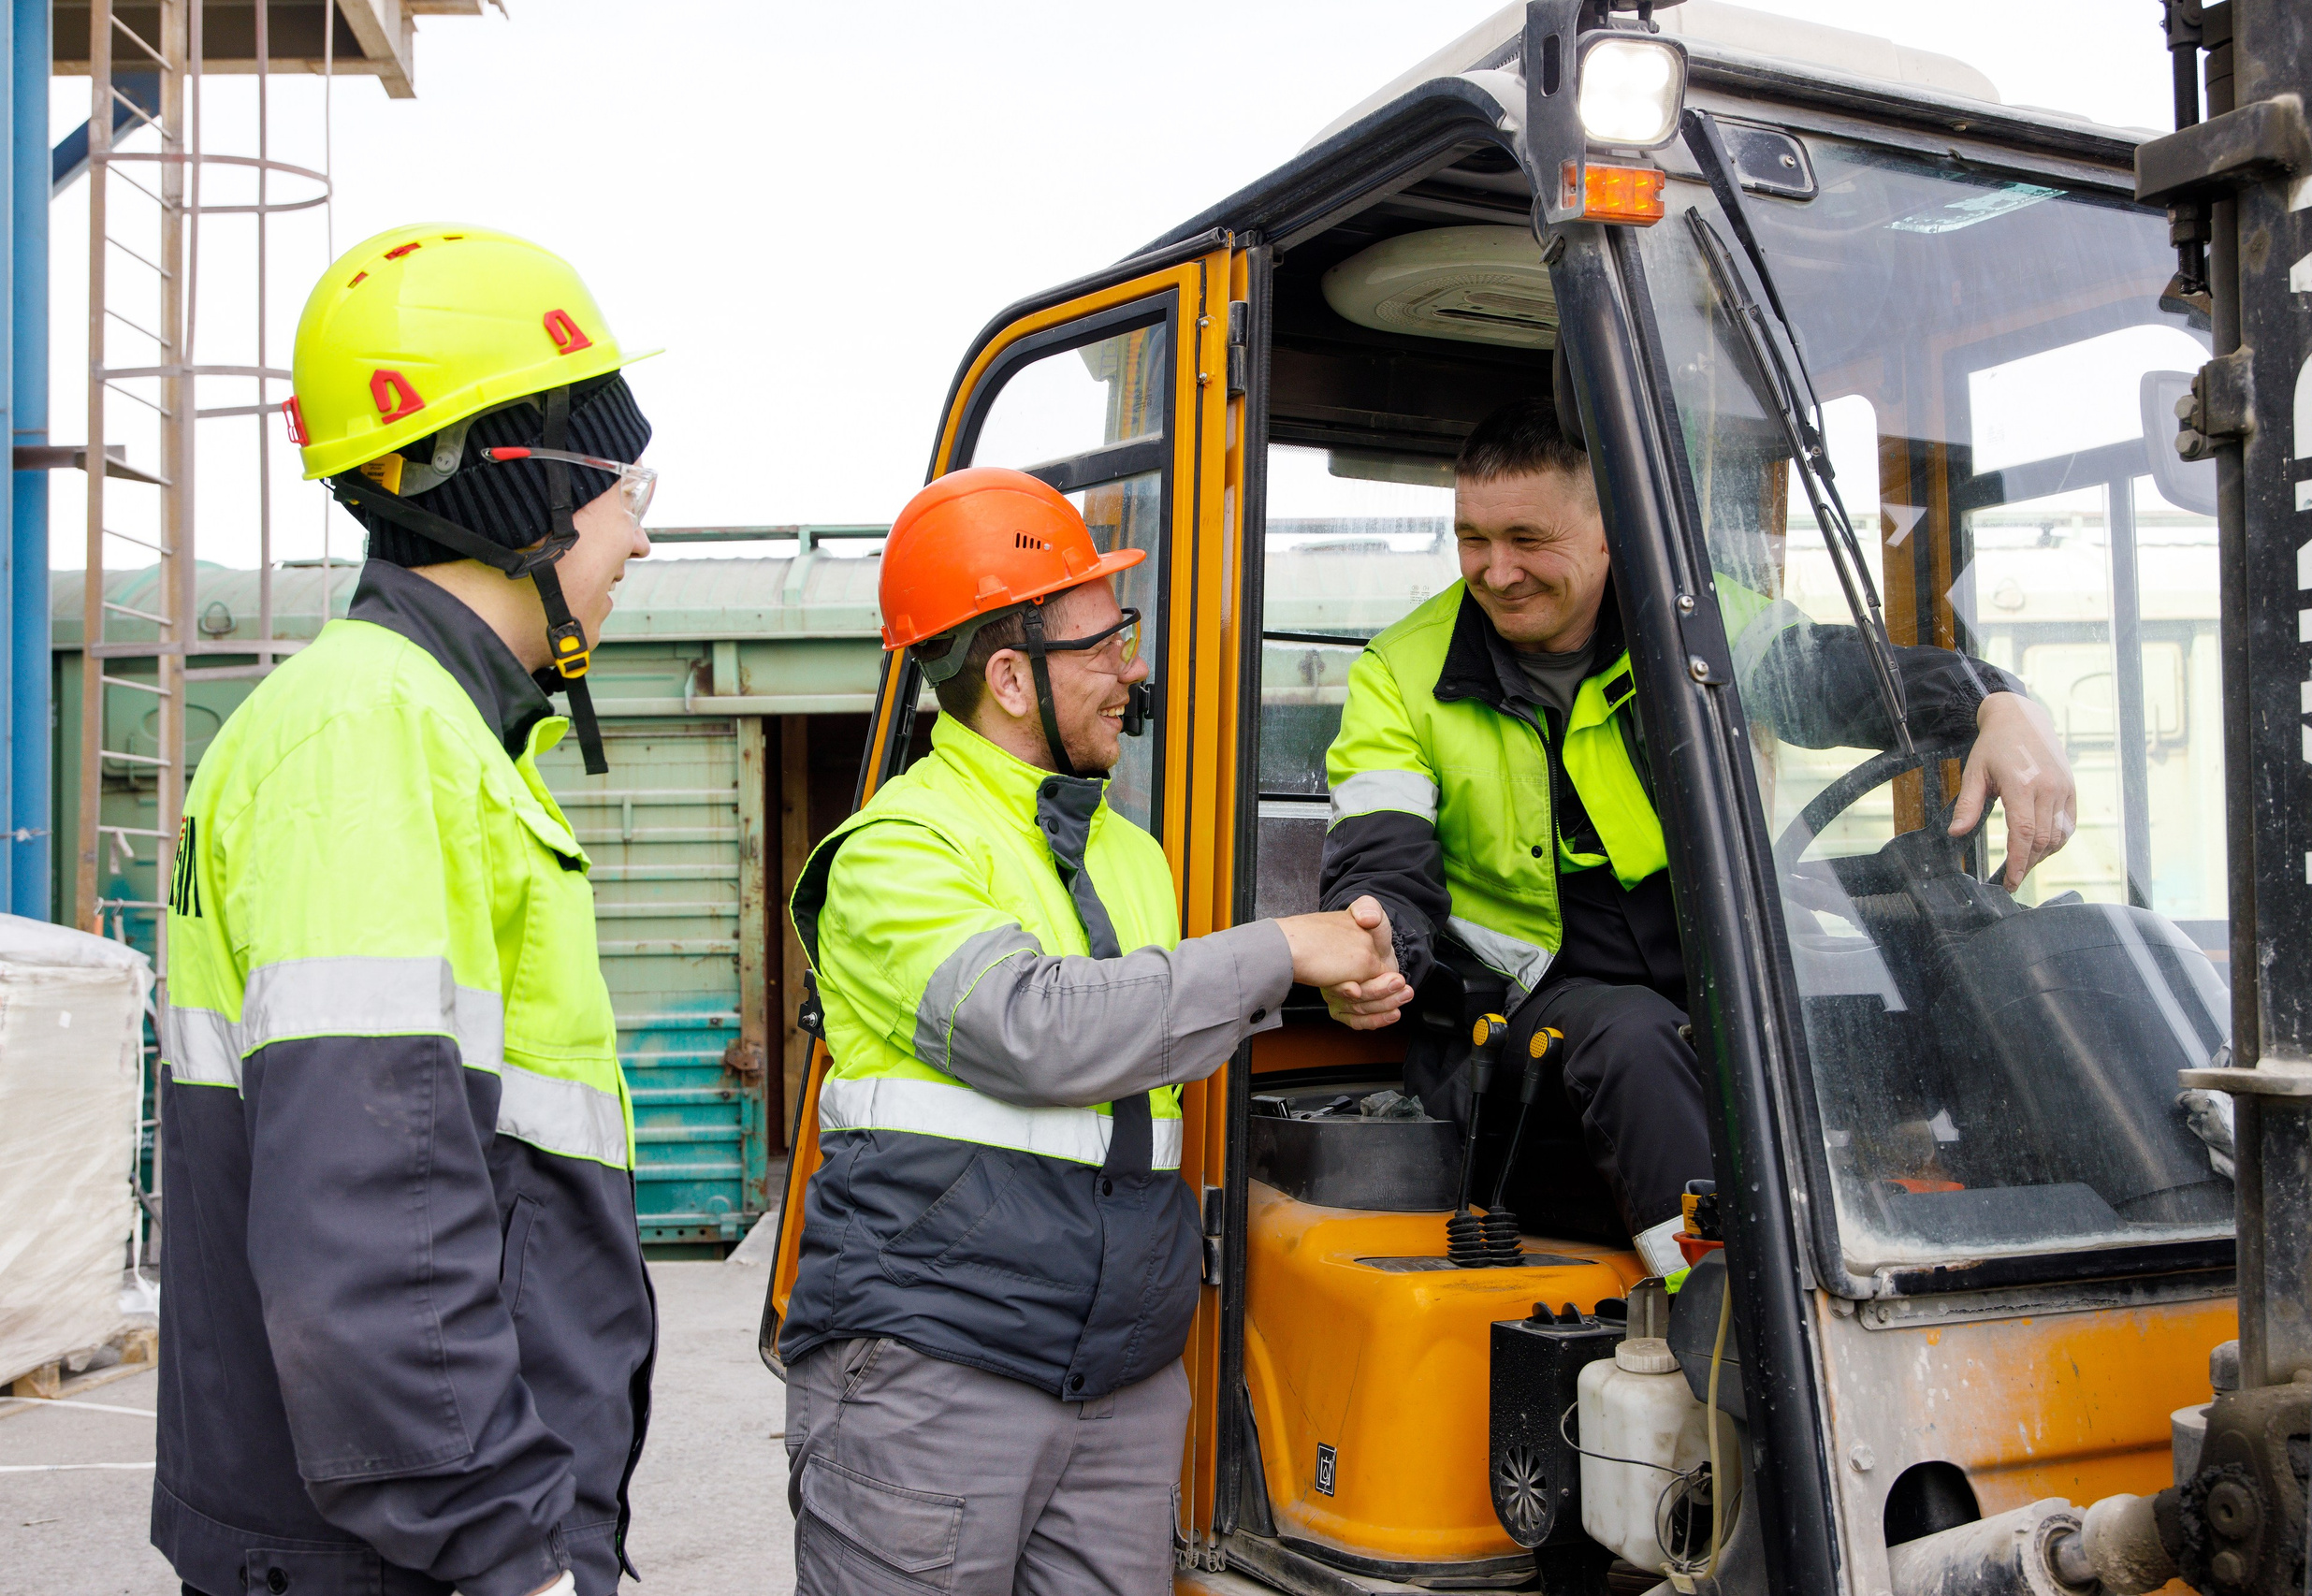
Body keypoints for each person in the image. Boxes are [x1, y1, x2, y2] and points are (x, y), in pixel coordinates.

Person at [778, 466, 1405, 1595]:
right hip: (937, 1373)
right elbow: (1039, 1029)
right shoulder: (894, 852)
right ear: (1011, 676)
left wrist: (1325, 986)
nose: (1134, 669)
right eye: (1106, 642)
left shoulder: (1125, 849)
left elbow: (1146, 1040)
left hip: (1118, 1382)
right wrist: (1282, 948)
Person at [154, 225, 658, 1596]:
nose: (640, 530)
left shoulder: (407, 730)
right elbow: (375, 1253)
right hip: (405, 1561)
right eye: (622, 483)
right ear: (524, 479)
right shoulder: (371, 744)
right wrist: (523, 1559)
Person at [1316, 398, 2075, 1273]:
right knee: (1630, 1036)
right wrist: (1376, 951)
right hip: (1512, 1047)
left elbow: (1832, 677)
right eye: (1472, 540)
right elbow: (1382, 856)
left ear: (1609, 532)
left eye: (1528, 538)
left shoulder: (1696, 625)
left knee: (1993, 966)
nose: (1496, 571)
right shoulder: (1399, 675)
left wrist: (1993, 701)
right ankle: (1733, 1324)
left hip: (1705, 1004)